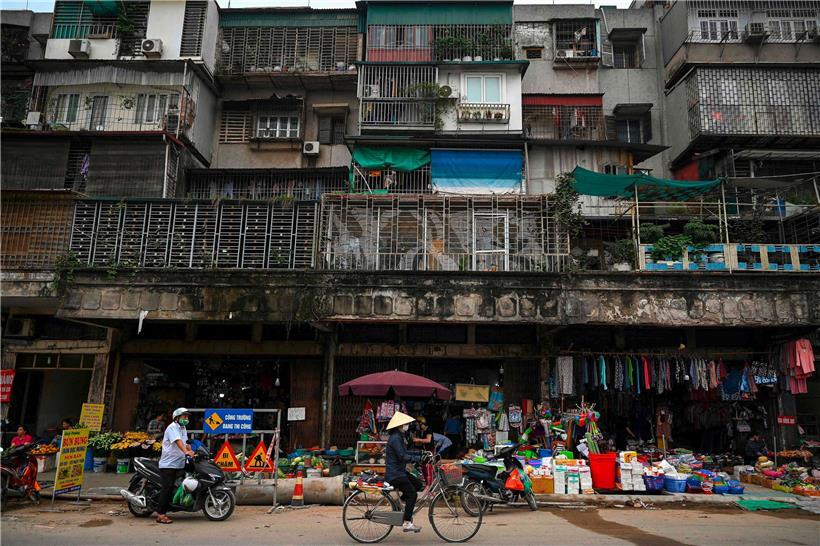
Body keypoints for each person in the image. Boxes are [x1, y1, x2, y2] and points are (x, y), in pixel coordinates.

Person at [385, 411, 422, 534]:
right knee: (412, 494)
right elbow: (402, 456)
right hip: (395, 474)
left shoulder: (399, 436)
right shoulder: (396, 438)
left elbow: (405, 452)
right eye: (406, 424)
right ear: (400, 425)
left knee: (418, 485)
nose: (407, 425)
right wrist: (417, 459)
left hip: (399, 471)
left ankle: (398, 503)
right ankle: (407, 523)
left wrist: (420, 453)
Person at [156, 408, 194, 524]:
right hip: (169, 464)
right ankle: (161, 514)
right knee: (167, 487)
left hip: (179, 463)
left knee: (180, 484)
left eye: (187, 417)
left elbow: (185, 443)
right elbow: (178, 441)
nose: (186, 419)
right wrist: (186, 451)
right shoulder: (172, 427)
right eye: (184, 416)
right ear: (177, 418)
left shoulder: (183, 428)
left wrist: (191, 450)